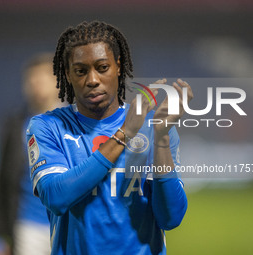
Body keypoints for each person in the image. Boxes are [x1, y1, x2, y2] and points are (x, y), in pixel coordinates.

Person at [26, 21, 192, 255]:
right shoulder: (48, 126)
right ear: (68, 74)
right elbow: (55, 196)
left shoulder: (153, 127)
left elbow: (171, 217)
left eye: (102, 67)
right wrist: (124, 134)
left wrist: (162, 138)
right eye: (81, 71)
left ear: (118, 67)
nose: (92, 80)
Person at [0, 53, 63, 255]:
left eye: (42, 78)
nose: (35, 84)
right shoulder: (15, 125)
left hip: (66, 224)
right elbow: (2, 180)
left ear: (58, 82)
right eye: (31, 79)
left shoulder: (74, 123)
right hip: (27, 226)